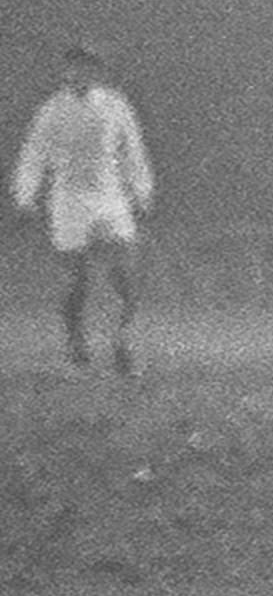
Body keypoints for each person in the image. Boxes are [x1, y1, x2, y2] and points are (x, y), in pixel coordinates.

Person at [15, 42, 155, 374]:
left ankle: (123, 340)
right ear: (66, 71)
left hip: (109, 194)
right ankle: (76, 340)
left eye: (89, 67)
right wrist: (25, 195)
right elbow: (34, 155)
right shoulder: (51, 111)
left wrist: (142, 191)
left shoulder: (116, 106)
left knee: (124, 269)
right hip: (68, 198)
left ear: (98, 71)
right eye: (75, 67)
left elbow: (132, 150)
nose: (81, 73)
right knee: (78, 279)